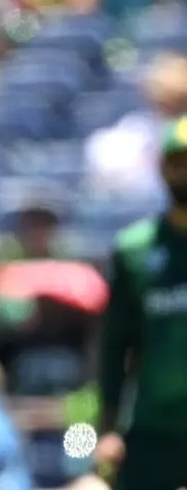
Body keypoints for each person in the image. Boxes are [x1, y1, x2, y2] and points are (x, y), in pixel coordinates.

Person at [95, 115, 187, 489]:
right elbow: (114, 345)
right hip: (153, 431)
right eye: (179, 161)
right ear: (163, 167)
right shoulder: (135, 249)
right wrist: (108, 428)